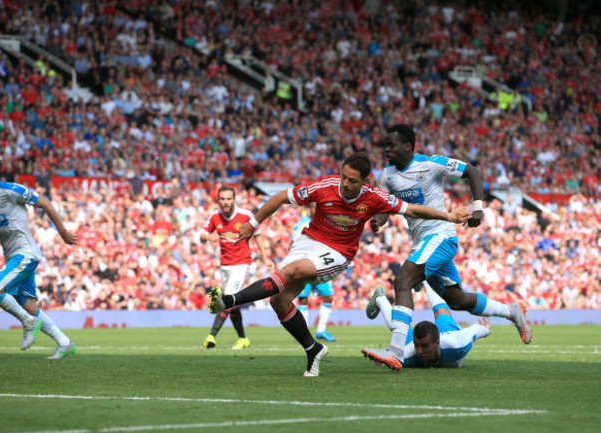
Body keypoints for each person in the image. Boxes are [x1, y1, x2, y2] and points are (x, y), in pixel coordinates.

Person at [208, 152, 471, 376]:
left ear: (365, 181)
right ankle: (314, 349)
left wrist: (448, 215)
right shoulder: (325, 185)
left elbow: (411, 209)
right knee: (279, 301)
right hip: (308, 241)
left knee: (290, 271)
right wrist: (252, 225)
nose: (344, 183)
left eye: (352, 180)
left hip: (338, 252)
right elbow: (280, 198)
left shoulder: (374, 196)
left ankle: (229, 301)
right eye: (343, 176)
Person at [369, 124, 531, 371]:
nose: (386, 149)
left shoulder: (431, 164)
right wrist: (378, 220)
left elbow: (472, 171)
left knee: (403, 281)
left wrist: (478, 208)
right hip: (423, 241)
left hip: (440, 236)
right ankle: (511, 311)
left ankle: (396, 352)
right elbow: (385, 206)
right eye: (385, 145)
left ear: (407, 146)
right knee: (456, 300)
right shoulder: (387, 175)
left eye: (391, 145)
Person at [0, 150, 78, 359]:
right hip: (12, 256)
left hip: (26, 252)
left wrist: (62, 231)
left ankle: (28, 322)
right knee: (28, 304)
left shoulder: (11, 190)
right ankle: (64, 342)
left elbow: (44, 202)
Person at [201, 185, 274, 350]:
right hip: (225, 265)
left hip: (242, 263)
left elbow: (258, 235)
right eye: (223, 199)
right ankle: (243, 339)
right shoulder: (214, 216)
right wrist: (207, 236)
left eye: (229, 199)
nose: (226, 202)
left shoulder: (245, 215)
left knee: (227, 298)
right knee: (232, 304)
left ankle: (211, 336)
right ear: (218, 200)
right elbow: (201, 235)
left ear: (234, 200)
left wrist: (265, 258)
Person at [362, 282, 491, 368]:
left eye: (424, 346)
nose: (419, 351)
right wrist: (384, 361)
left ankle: (426, 279)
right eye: (417, 346)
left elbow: (475, 331)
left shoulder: (458, 344)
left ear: (437, 342)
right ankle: (380, 298)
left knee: (442, 310)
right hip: (427, 337)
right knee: (396, 326)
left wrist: (485, 330)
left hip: (448, 332)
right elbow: (393, 358)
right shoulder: (410, 354)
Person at [293, 210, 336, 342]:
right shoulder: (301, 224)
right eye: (313, 206)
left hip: (321, 267)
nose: (316, 209)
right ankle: (304, 332)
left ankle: (321, 330)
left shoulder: (329, 223)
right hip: (305, 267)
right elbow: (294, 244)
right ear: (309, 209)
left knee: (328, 298)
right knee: (303, 299)